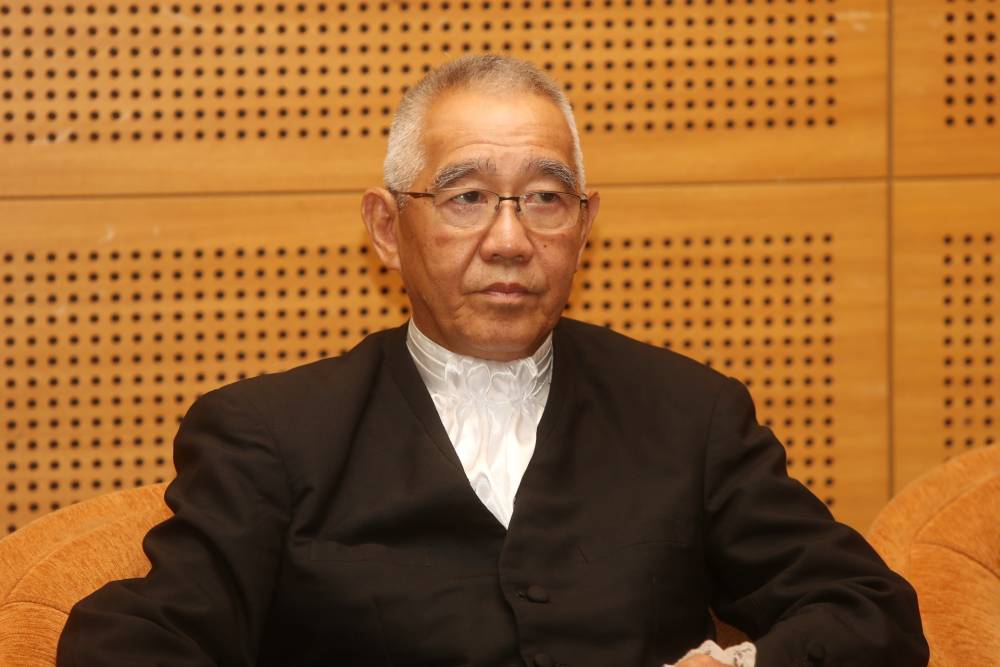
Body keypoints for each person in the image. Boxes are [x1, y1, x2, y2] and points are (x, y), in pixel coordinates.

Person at [57, 55, 928, 667]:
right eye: (466, 196)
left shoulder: (688, 414)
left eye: (545, 198)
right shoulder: (273, 434)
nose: (509, 239)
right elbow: (131, 642)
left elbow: (869, 611)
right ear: (388, 228)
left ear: (585, 226)